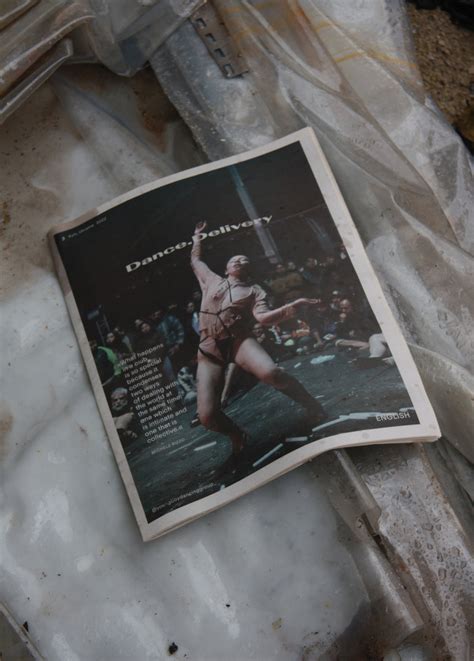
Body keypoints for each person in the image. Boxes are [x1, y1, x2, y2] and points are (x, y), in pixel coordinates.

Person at [191, 221, 327, 467]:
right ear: (226, 268)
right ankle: (238, 436)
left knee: (272, 373)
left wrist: (292, 306)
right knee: (207, 416)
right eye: (235, 259)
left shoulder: (254, 291)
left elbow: (263, 318)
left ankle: (313, 405)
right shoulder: (210, 280)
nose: (239, 260)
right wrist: (197, 238)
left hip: (238, 341)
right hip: (209, 348)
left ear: (248, 269)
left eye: (244, 260)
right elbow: (196, 261)